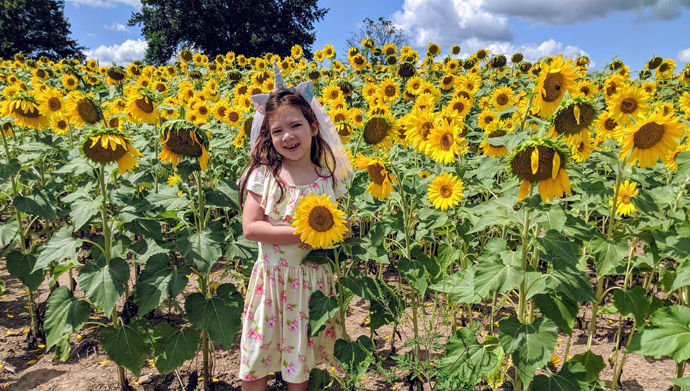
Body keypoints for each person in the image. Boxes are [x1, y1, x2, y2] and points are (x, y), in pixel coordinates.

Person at [237, 87, 350, 391]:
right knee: (256, 358)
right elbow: (251, 228)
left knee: (298, 363)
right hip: (272, 282)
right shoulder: (266, 176)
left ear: (314, 127)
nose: (288, 135)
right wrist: (302, 232)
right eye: (277, 130)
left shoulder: (327, 178)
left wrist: (340, 228)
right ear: (268, 136)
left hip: (310, 286)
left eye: (295, 125)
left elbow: (334, 225)